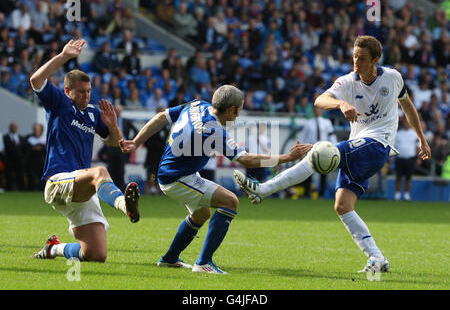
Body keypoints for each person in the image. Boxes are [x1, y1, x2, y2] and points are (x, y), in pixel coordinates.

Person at [234, 36, 431, 273]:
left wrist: (422, 138)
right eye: (354, 56)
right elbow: (320, 100)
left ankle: (262, 189)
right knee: (342, 205)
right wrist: (341, 105)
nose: (356, 62)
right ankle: (377, 258)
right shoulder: (347, 82)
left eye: (362, 58)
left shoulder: (393, 77)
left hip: (378, 145)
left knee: (321, 152)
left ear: (376, 60)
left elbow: (407, 106)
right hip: (358, 145)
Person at [119, 85, 311, 274]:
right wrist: (287, 157)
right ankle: (204, 263)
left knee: (202, 214)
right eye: (238, 111)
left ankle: (169, 259)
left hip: (177, 172)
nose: (237, 117)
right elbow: (245, 159)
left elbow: (162, 117)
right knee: (230, 201)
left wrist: (136, 142)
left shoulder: (196, 105)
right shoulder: (213, 131)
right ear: (230, 110)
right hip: (176, 178)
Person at [30, 39, 140, 263]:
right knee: (99, 172)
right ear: (67, 90)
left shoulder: (92, 114)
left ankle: (53, 249)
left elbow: (115, 143)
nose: (86, 96)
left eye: (89, 91)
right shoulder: (59, 103)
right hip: (59, 181)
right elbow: (36, 79)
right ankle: (124, 205)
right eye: (80, 92)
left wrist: (113, 125)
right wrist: (63, 57)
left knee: (96, 255)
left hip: (82, 187)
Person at [299, 107, 337, 198]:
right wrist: (301, 149)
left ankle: (321, 193)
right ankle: (306, 192)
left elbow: (331, 136)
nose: (317, 111)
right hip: (311, 148)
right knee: (307, 169)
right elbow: (303, 137)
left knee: (324, 170)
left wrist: (334, 148)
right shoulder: (308, 123)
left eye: (319, 110)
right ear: (313, 111)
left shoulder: (327, 122)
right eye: (315, 110)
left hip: (323, 148)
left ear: (321, 112)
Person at [394, 117, 419, 201]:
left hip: (410, 158)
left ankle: (406, 195)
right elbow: (394, 146)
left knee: (408, 177)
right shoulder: (398, 133)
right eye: (405, 122)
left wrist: (418, 158)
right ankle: (397, 194)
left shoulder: (414, 134)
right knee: (398, 177)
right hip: (399, 158)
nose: (406, 124)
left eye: (408, 122)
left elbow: (417, 147)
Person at [3, 121, 26, 191]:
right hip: (9, 161)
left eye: (15, 127)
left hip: (19, 161)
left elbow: (24, 149)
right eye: (12, 127)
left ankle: (22, 190)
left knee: (20, 176)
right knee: (8, 176)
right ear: (10, 128)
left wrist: (23, 160)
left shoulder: (21, 138)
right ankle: (8, 189)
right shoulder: (5, 138)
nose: (14, 128)